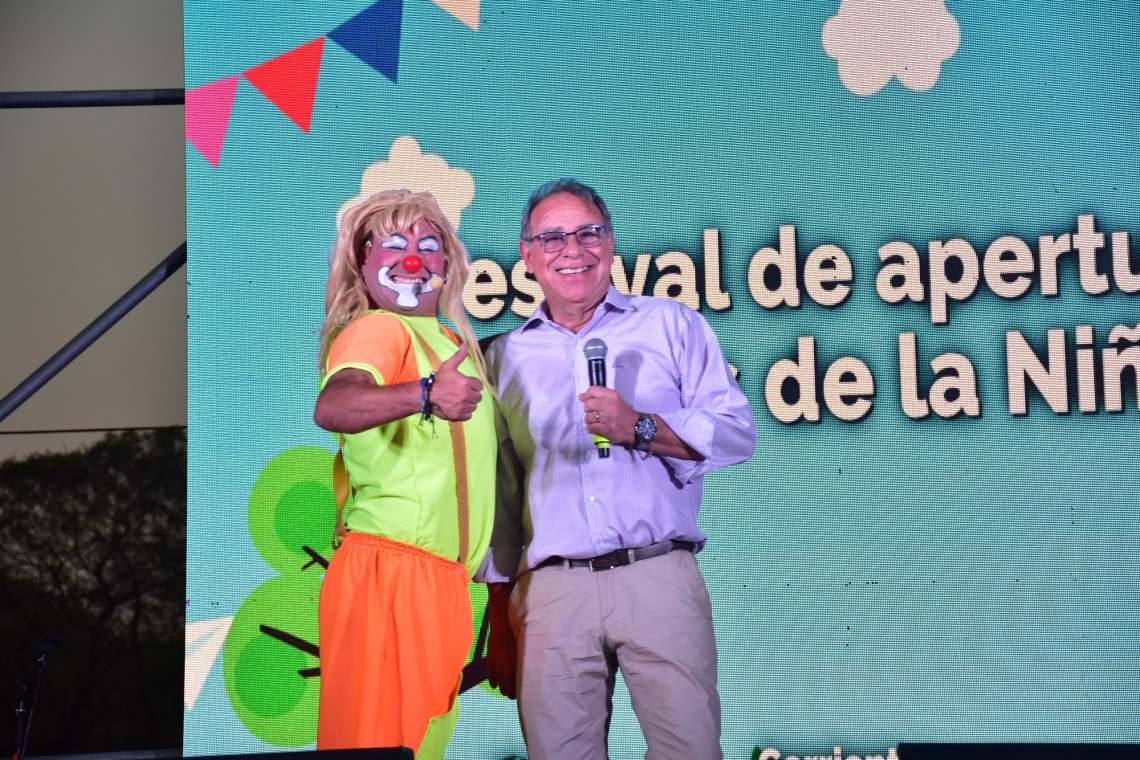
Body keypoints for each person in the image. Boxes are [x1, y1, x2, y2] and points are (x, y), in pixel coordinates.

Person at [478, 178, 757, 759]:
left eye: (588, 233)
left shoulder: (671, 325)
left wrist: (641, 427)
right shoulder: (502, 357)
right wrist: (498, 618)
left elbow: (735, 434)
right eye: (552, 238)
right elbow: (501, 498)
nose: (572, 249)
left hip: (657, 574)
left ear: (610, 243)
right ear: (527, 256)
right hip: (550, 591)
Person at [313, 188, 494, 758]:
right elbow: (334, 406)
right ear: (361, 262)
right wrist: (424, 394)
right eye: (392, 244)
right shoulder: (379, 329)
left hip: (441, 584)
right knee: (378, 748)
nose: (413, 258)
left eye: (428, 244)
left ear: (449, 263)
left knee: (417, 749)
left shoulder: (448, 340)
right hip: (390, 576)